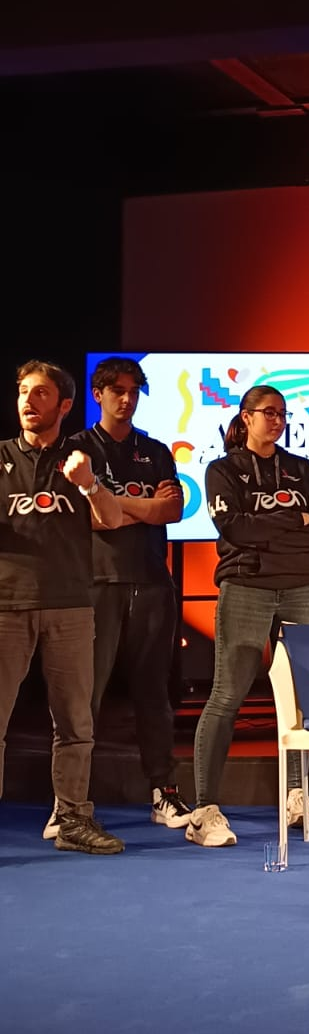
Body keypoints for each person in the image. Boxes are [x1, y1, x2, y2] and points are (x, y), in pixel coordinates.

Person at [187, 385, 309, 847]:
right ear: (246, 417)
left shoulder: (302, 469)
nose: (277, 421)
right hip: (246, 586)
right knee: (227, 694)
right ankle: (204, 809)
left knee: (300, 696)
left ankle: (296, 794)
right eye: (268, 412)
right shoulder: (222, 469)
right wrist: (293, 522)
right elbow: (234, 527)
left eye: (282, 414)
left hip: (302, 587)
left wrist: (266, 529)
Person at [0, 360, 126, 853]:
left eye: (41, 393)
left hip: (71, 607)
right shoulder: (2, 457)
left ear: (65, 405)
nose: (29, 401)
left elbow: (112, 519)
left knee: (76, 724)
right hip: (7, 606)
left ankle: (72, 820)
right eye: (23, 392)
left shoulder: (83, 458)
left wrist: (89, 484)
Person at [64, 356, 190, 835]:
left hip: (153, 583)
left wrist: (112, 503)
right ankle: (71, 802)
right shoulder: (76, 449)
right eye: (117, 389)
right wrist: (141, 506)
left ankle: (164, 793)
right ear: (98, 394)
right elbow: (85, 519)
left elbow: (172, 509)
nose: (127, 397)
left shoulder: (154, 451)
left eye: (134, 390)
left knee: (154, 695)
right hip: (95, 584)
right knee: (85, 697)